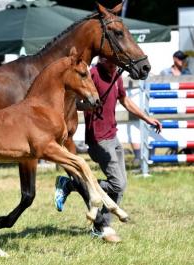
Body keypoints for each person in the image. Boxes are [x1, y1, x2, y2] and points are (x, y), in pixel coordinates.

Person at [54, 57, 162, 243]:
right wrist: (87, 106)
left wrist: (146, 118)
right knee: (118, 184)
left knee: (121, 186)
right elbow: (74, 102)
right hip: (98, 140)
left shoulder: (116, 76)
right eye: (110, 61)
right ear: (102, 59)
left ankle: (96, 219)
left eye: (115, 62)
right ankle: (98, 220)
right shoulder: (93, 74)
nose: (113, 64)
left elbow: (125, 100)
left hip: (113, 136)